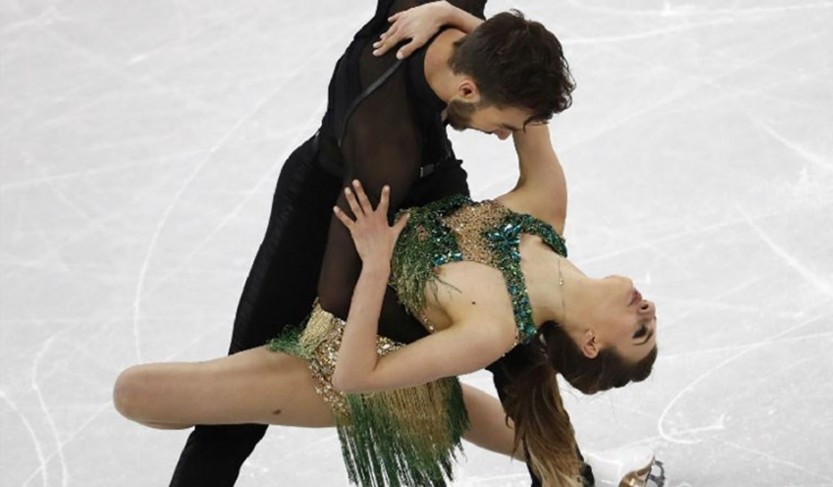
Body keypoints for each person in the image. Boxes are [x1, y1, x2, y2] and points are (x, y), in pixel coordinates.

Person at [156, 1, 579, 485]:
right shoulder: (387, 141)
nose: (505, 137)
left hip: (429, 178)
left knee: (517, 335)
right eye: (506, 123)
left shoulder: (438, 10)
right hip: (333, 207)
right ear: (468, 87)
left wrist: (452, 13)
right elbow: (339, 292)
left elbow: (495, 45)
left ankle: (571, 477)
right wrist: (456, 336)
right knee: (240, 398)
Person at [114, 124, 661, 487]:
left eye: (639, 334)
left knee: (136, 393)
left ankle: (576, 471)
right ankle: (582, 472)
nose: (648, 312)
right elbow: (526, 82)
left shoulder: (494, 326)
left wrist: (375, 263)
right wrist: (448, 14)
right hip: (340, 295)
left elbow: (356, 376)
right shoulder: (546, 204)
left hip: (330, 365)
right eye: (650, 324)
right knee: (450, 405)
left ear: (590, 342)